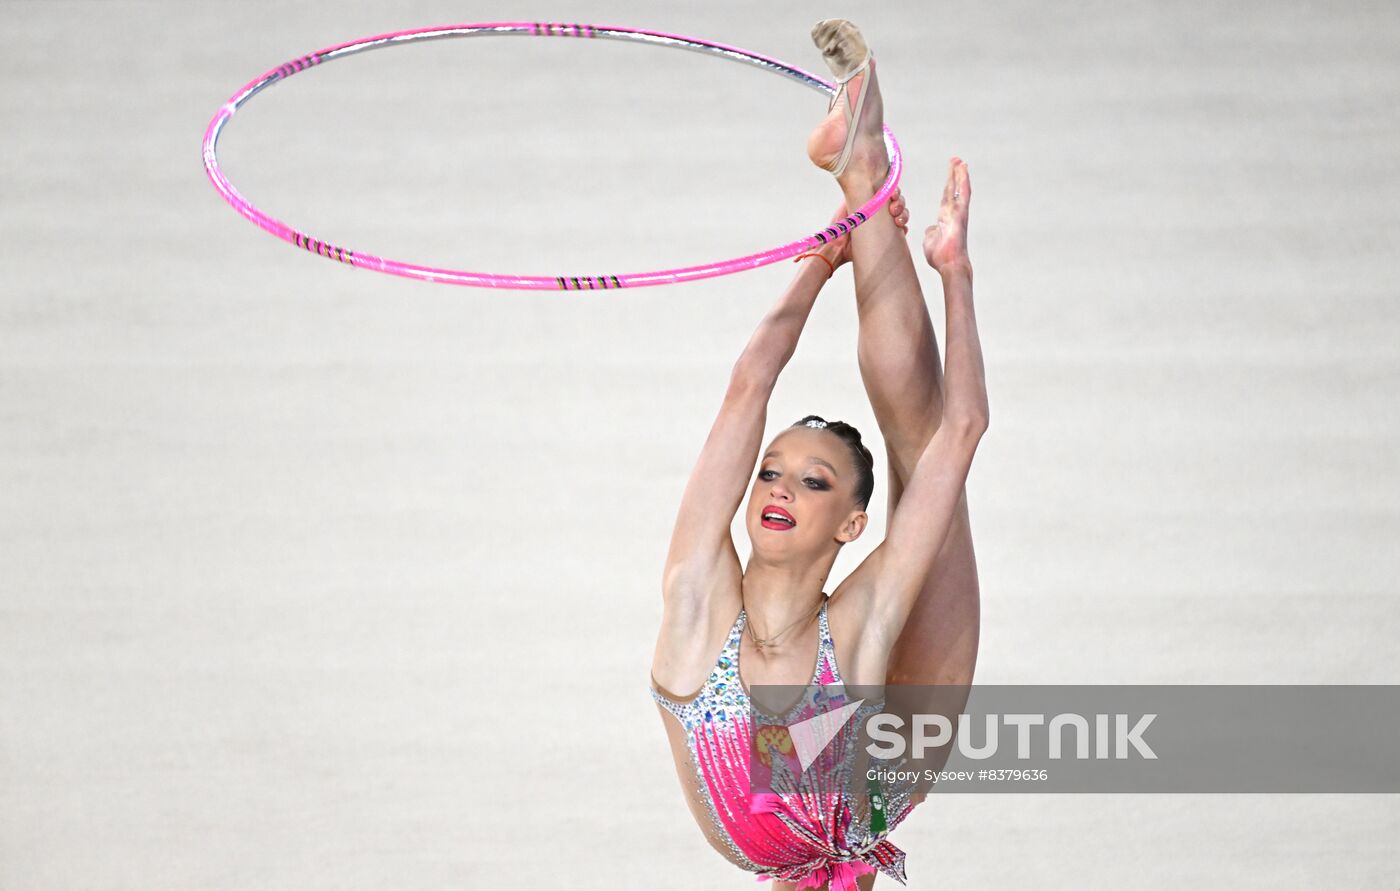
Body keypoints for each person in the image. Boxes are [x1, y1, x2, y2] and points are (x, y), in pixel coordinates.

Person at [649, 20, 987, 890]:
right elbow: (748, 389)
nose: (780, 487)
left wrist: (933, 273)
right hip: (902, 757)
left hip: (858, 700)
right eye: (771, 471)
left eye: (812, 481)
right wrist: (909, 265)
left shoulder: (843, 619)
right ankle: (863, 173)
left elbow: (963, 433)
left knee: (926, 448)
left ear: (851, 525)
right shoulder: (700, 598)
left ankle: (864, 166)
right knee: (921, 439)